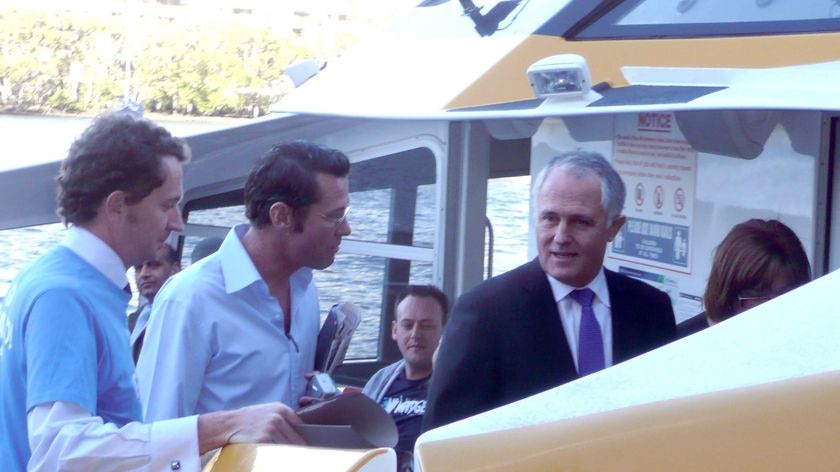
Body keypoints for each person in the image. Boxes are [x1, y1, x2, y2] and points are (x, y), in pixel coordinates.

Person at [0, 113, 304, 472]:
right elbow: (59, 451)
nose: (177, 222)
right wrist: (222, 426)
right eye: (166, 205)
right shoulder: (64, 295)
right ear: (117, 205)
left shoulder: (52, 278)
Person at [423, 150, 676, 430]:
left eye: (580, 222)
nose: (561, 237)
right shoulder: (486, 311)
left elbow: (667, 418)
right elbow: (442, 437)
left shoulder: (651, 309)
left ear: (614, 227)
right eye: (550, 219)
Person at [137, 140, 352, 421]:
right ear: (281, 216)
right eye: (335, 217)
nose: (346, 229)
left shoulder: (305, 288)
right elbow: (155, 435)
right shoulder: (190, 300)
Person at [677, 219, 811, 338]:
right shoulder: (677, 348)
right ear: (727, 298)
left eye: (784, 298)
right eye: (758, 299)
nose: (772, 313)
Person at [363, 285, 448, 471]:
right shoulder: (380, 381)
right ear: (395, 330)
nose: (416, 334)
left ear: (444, 331)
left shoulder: (453, 384)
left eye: (426, 326)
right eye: (408, 325)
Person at [128, 241, 180, 362]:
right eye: (138, 268)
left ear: (175, 269)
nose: (144, 274)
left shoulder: (185, 315)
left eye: (154, 265)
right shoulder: (134, 319)